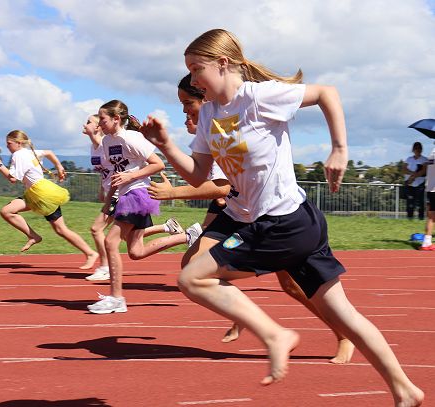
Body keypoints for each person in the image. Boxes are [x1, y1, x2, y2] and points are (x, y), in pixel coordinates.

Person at [140, 29, 423, 406]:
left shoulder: (259, 97)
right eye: (189, 71)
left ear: (222, 63)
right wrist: (166, 145)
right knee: (344, 315)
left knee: (192, 277)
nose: (192, 80)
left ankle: (276, 335)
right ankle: (406, 391)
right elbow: (197, 174)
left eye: (196, 69)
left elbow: (327, 93)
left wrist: (339, 149)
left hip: (281, 222)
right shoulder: (209, 112)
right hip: (275, 220)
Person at [150, 73, 355, 364]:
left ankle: (343, 334)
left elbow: (221, 186)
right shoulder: (208, 124)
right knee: (192, 266)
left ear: (205, 96)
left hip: (271, 216)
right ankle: (242, 312)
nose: (184, 111)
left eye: (187, 104)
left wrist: (173, 193)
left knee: (292, 286)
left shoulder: (230, 123)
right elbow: (206, 177)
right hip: (236, 212)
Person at [87, 100, 202, 314]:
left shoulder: (131, 138)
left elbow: (158, 164)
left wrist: (131, 176)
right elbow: (116, 175)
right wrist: (108, 201)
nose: (99, 123)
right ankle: (187, 235)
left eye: (102, 119)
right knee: (136, 251)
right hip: (125, 195)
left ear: (116, 119)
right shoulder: (107, 142)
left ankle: (116, 298)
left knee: (110, 242)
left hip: (138, 194)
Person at [82, 114, 188, 281]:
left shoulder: (114, 142)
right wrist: (103, 190)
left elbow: (139, 165)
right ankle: (181, 233)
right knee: (135, 250)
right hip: (119, 193)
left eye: (90, 121)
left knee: (101, 232)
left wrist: (114, 192)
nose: (84, 124)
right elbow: (109, 173)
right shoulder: (99, 146)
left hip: (128, 195)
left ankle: (106, 270)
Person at [0, 130, 99, 269]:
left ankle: (90, 253)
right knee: (7, 211)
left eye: (9, 143)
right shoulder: (30, 152)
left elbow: (12, 179)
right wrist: (59, 166)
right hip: (33, 193)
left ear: (18, 143)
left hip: (43, 195)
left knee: (61, 229)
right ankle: (33, 236)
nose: (7, 146)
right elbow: (49, 153)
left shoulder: (18, 155)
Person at [402, 142, 427, 220]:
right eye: (416, 148)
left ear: (421, 149)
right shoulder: (409, 159)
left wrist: (412, 177)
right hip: (409, 184)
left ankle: (421, 218)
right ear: (413, 149)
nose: (418, 150)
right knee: (410, 202)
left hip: (419, 184)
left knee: (420, 203)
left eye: (419, 148)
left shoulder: (424, 159)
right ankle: (409, 218)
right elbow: (404, 170)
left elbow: (423, 171)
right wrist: (412, 174)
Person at [419, 146, 435, 250]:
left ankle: (426, 242)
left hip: (430, 188)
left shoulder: (432, 152)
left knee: (431, 216)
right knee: (432, 216)